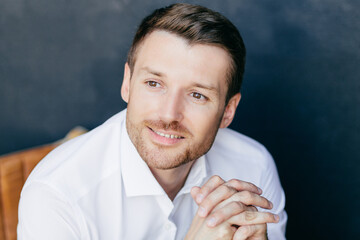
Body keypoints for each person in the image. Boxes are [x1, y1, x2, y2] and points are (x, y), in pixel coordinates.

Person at [17, 3, 287, 240]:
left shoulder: (253, 166)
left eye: (197, 95)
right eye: (154, 83)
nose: (169, 115)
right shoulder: (57, 194)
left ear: (228, 111)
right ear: (127, 83)